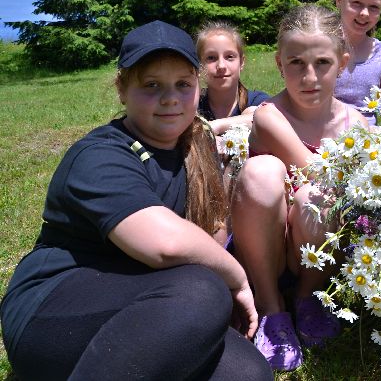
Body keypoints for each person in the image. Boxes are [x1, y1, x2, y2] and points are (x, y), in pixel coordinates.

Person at [0, 20, 273, 380]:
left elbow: (212, 234)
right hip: (52, 312)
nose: (170, 98)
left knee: (249, 372)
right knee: (203, 290)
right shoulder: (100, 155)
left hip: (143, 300)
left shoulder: (197, 146)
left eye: (183, 84)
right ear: (122, 89)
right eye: (152, 85)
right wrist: (236, 278)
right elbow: (166, 244)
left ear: (197, 87)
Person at [232, 5, 368, 371]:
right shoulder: (269, 115)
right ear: (279, 64)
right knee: (263, 172)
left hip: (321, 251)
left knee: (313, 198)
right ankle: (270, 305)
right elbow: (315, 170)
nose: (310, 77)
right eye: (296, 63)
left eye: (322, 63)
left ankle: (310, 297)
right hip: (269, 250)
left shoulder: (356, 124)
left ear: (342, 63)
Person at [195, 20, 270, 135]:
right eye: (211, 58)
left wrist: (217, 126)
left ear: (242, 62)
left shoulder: (256, 100)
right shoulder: (194, 106)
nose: (221, 66)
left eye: (229, 57)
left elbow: (267, 117)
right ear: (200, 65)